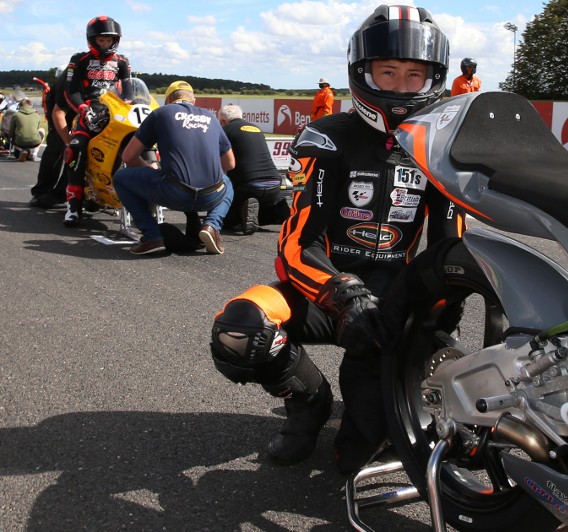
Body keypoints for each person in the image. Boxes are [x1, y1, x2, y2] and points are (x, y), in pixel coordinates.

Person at [209, 4, 462, 474]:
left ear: (434, 78)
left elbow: (451, 251)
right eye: (388, 72)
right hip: (326, 292)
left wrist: (432, 321)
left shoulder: (440, 149)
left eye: (414, 74)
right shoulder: (327, 138)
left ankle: (385, 398)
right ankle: (309, 403)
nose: (401, 86)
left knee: (357, 460)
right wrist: (343, 293)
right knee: (239, 330)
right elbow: (294, 246)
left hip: (393, 307)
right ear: (362, 73)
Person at [112, 81, 235, 256]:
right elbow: (230, 163)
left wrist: (149, 169)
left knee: (121, 178)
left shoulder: (161, 113)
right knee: (228, 183)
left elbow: (128, 157)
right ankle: (212, 226)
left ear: (169, 99)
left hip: (174, 192)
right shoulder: (211, 117)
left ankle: (152, 235)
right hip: (211, 194)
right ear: (193, 100)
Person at [62, 15, 132, 227]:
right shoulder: (78, 59)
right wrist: (83, 109)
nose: (105, 44)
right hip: (87, 114)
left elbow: (129, 91)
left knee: (134, 145)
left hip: (114, 114)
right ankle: (73, 207)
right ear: (93, 40)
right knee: (76, 148)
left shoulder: (122, 62)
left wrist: (130, 105)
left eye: (109, 40)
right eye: (101, 40)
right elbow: (70, 91)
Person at [217, 104, 290, 235]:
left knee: (226, 222)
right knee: (264, 206)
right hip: (274, 184)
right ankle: (278, 211)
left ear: (222, 121)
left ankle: (243, 211)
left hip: (248, 186)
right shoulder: (256, 128)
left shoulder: (225, 130)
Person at [29, 67, 72, 208]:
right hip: (62, 112)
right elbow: (56, 110)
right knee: (56, 148)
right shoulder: (65, 83)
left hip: (86, 112)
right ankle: (41, 192)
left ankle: (68, 192)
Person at [8, 98, 44, 162]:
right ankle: (34, 154)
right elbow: (36, 128)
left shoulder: (15, 115)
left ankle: (22, 149)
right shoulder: (37, 115)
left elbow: (11, 131)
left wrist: (10, 140)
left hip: (19, 142)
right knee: (42, 130)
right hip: (35, 141)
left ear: (20, 106)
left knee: (18, 133)